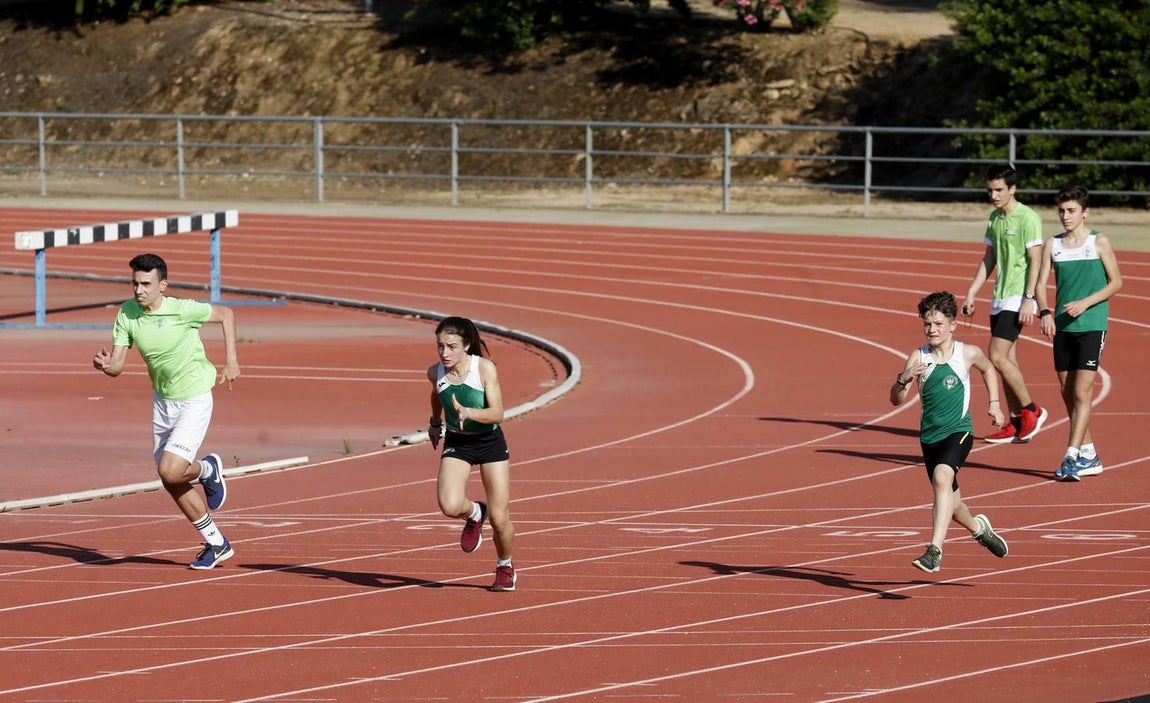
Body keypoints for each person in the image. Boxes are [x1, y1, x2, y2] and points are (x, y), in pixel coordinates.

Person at [92, 253, 239, 570]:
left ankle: (206, 470)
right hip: (164, 402)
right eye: (135, 283)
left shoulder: (182, 309)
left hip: (195, 396)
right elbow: (118, 366)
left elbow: (226, 314)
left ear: (163, 285)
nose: (138, 290)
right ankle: (216, 543)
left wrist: (231, 360)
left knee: (171, 470)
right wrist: (106, 366)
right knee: (171, 479)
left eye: (146, 284)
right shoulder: (127, 314)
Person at [891, 291, 1009, 574]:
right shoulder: (919, 357)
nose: (932, 329)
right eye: (927, 324)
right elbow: (896, 399)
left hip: (959, 431)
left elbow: (989, 369)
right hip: (929, 439)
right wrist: (903, 379)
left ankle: (935, 551)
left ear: (953, 325)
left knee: (943, 477)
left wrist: (994, 404)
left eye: (939, 324)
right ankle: (980, 529)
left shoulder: (967, 353)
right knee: (952, 503)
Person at [1035, 185, 1123, 481]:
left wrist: (1086, 303)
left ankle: (1071, 457)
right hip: (1062, 327)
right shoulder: (1053, 245)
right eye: (1061, 210)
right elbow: (1039, 285)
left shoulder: (1099, 242)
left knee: (1081, 392)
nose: (1065, 216)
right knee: (1067, 393)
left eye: (1071, 210)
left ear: (1085, 212)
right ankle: (1089, 453)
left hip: (1092, 325)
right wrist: (1045, 312)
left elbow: (1116, 283)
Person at [426, 316, 517, 592]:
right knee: (450, 505)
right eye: (440, 346)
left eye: (451, 346)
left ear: (466, 345)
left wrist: (470, 413)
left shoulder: (484, 369)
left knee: (501, 519)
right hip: (458, 442)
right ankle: (476, 512)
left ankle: (505, 565)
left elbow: (499, 413)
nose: (445, 353)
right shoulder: (435, 372)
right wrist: (434, 422)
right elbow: (436, 394)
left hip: (489, 441)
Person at [961, 163, 1049, 444]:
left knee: (996, 355)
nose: (994, 195)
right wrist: (973, 292)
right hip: (999, 297)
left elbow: (1036, 261)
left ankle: (1032, 410)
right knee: (1008, 360)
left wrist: (1030, 298)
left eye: (999, 190)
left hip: (1018, 297)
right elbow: (989, 258)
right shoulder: (995, 218)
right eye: (990, 190)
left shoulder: (1028, 217)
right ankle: (1015, 420)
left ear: (1013, 188)